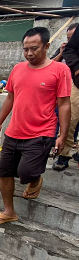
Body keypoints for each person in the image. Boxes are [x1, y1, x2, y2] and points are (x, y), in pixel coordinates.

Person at [0, 27, 71, 224]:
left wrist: (62, 136)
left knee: (26, 172)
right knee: (4, 171)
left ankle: (35, 179)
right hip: (14, 131)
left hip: (41, 132)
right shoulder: (18, 69)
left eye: (34, 48)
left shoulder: (60, 70)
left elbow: (64, 104)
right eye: (25, 49)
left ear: (47, 46)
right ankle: (9, 211)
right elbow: (10, 97)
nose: (29, 53)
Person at [59, 23, 79, 168]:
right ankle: (64, 154)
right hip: (77, 83)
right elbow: (69, 50)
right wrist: (77, 68)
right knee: (70, 118)